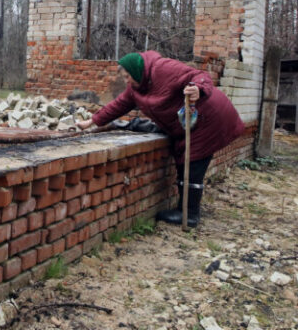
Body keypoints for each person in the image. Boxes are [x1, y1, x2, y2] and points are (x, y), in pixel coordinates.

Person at [77, 51, 244, 227]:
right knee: (185, 161)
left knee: (192, 162)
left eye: (127, 77)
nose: (126, 81)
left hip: (208, 117)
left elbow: (198, 75)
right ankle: (185, 209)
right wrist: (91, 121)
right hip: (189, 124)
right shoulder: (136, 88)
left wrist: (198, 89)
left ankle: (190, 215)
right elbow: (118, 105)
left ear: (137, 71)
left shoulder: (163, 68)